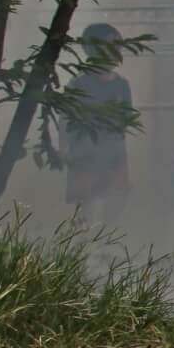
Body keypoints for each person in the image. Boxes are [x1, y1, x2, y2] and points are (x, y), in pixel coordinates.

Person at [62, 23, 133, 220]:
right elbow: (66, 120)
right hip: (84, 151)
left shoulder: (122, 85)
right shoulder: (78, 84)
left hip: (114, 150)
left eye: (118, 47)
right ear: (93, 50)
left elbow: (126, 120)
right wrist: (65, 148)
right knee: (86, 202)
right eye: (110, 46)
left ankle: (109, 241)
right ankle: (82, 244)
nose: (116, 52)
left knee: (116, 198)